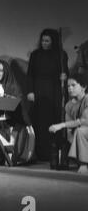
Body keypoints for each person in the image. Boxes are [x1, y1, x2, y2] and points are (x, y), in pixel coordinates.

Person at [27, 28, 68, 161]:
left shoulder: (61, 55)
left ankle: (53, 153)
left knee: (53, 119)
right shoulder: (35, 55)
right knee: (39, 121)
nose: (44, 43)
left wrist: (64, 76)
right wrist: (30, 91)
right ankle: (39, 153)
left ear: (53, 42)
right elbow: (30, 75)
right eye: (43, 40)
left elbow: (66, 74)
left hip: (54, 91)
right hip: (39, 90)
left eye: (47, 41)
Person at [49, 74, 88, 174]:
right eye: (68, 86)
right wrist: (71, 139)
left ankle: (84, 164)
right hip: (80, 135)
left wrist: (61, 125)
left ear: (84, 87)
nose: (70, 88)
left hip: (85, 131)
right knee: (73, 133)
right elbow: (69, 128)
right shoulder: (69, 105)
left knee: (80, 131)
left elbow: (84, 121)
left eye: (73, 85)